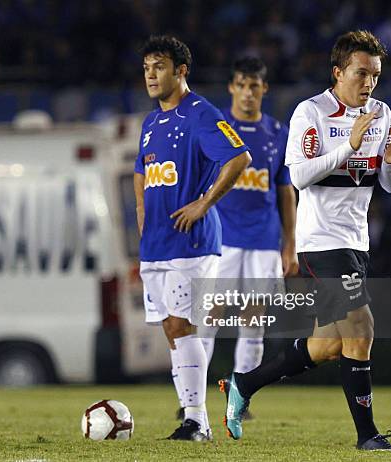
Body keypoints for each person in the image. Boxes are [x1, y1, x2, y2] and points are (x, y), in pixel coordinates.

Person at [219, 30, 391, 451]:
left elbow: (386, 184)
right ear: (338, 72)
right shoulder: (310, 113)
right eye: (361, 73)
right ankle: (368, 436)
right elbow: (299, 177)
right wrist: (348, 145)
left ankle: (244, 383)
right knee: (362, 327)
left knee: (329, 344)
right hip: (320, 241)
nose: (369, 83)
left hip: (355, 240)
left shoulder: (380, 113)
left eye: (376, 75)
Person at [134, 35, 251, 440]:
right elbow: (141, 169)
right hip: (157, 242)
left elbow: (239, 157)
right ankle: (192, 416)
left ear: (181, 71)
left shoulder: (199, 113)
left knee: (183, 325)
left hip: (192, 239)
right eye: (147, 67)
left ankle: (196, 420)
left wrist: (204, 203)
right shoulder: (150, 122)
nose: (151, 75)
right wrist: (140, 212)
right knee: (172, 328)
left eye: (159, 67)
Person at [199, 57, 298, 381]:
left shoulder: (277, 133)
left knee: (253, 320)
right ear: (231, 87)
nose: (247, 92)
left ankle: (240, 395)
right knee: (209, 316)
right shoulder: (216, 127)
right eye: (241, 85)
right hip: (221, 239)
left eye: (253, 86)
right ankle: (193, 394)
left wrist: (290, 246)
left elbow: (285, 191)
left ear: (263, 88)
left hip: (264, 241)